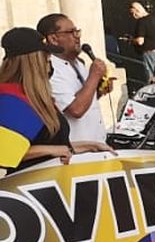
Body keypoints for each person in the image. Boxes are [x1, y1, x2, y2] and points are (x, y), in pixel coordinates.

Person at [0, 27, 112, 170]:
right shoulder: (12, 100)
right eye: (46, 57)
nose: (50, 62)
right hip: (31, 186)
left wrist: (92, 146)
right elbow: (6, 152)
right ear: (34, 62)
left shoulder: (36, 98)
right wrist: (52, 150)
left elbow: (54, 144)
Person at [38, 13, 109, 144]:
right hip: (77, 149)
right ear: (53, 38)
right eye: (71, 32)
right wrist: (94, 77)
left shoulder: (78, 63)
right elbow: (76, 109)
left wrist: (99, 89)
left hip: (97, 142)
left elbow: (85, 98)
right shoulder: (50, 69)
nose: (77, 37)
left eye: (77, 31)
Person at [125, 1, 155, 78]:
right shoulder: (153, 18)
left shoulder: (142, 21)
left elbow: (140, 41)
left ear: (137, 10)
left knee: (151, 76)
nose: (133, 15)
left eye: (133, 13)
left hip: (148, 53)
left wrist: (131, 40)